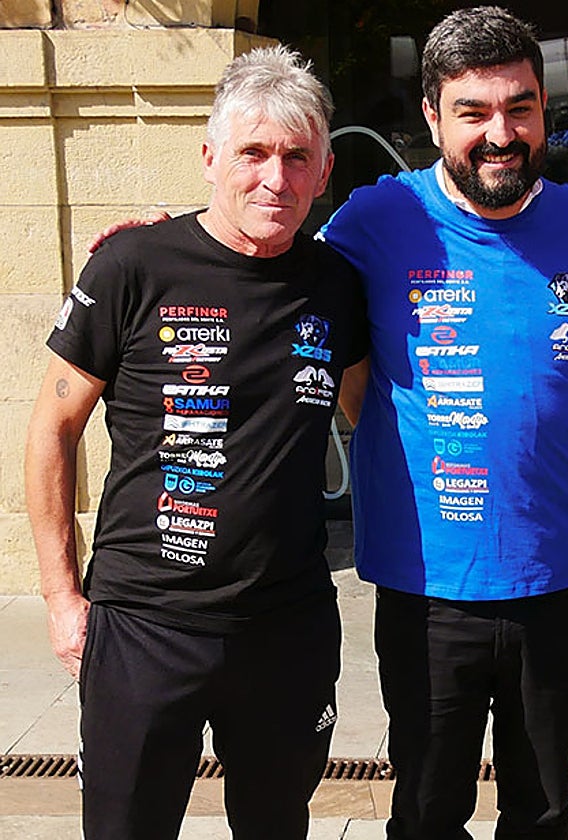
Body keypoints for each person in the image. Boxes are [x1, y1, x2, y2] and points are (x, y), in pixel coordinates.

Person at [25, 45, 367, 840]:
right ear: (211, 158)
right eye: (252, 153)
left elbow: (380, 412)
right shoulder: (133, 265)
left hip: (287, 629)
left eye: (296, 158)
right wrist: (60, 596)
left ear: (324, 172)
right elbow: (52, 428)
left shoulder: (337, 283)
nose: (274, 180)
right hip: (145, 626)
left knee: (276, 826)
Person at [318, 7, 568, 839]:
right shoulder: (377, 220)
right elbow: (275, 284)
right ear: (432, 117)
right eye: (474, 112)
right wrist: (159, 245)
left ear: (544, 108)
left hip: (557, 577)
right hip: (426, 588)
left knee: (547, 809)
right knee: (425, 810)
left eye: (518, 108)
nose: (500, 134)